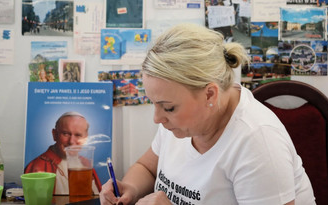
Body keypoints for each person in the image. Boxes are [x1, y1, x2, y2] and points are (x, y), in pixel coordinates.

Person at [99, 23, 316, 205]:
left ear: (209, 94)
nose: (157, 118)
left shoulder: (257, 140)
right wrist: (131, 188)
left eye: (168, 107)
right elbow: (146, 167)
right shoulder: (179, 121)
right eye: (154, 104)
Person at [25, 111, 101, 195]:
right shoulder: (37, 166)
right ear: (54, 135)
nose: (71, 141)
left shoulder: (86, 164)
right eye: (65, 134)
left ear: (85, 139)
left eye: (78, 135)